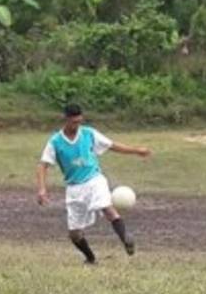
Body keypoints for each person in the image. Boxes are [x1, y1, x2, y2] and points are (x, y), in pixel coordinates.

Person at [36, 103, 152, 265]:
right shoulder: (55, 142)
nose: (77, 126)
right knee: (75, 234)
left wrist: (136, 150)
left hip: (94, 179)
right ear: (66, 120)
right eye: (73, 122)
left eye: (79, 122)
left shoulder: (89, 134)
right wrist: (42, 189)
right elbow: (43, 165)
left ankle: (126, 238)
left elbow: (112, 145)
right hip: (74, 188)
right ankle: (90, 258)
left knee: (108, 209)